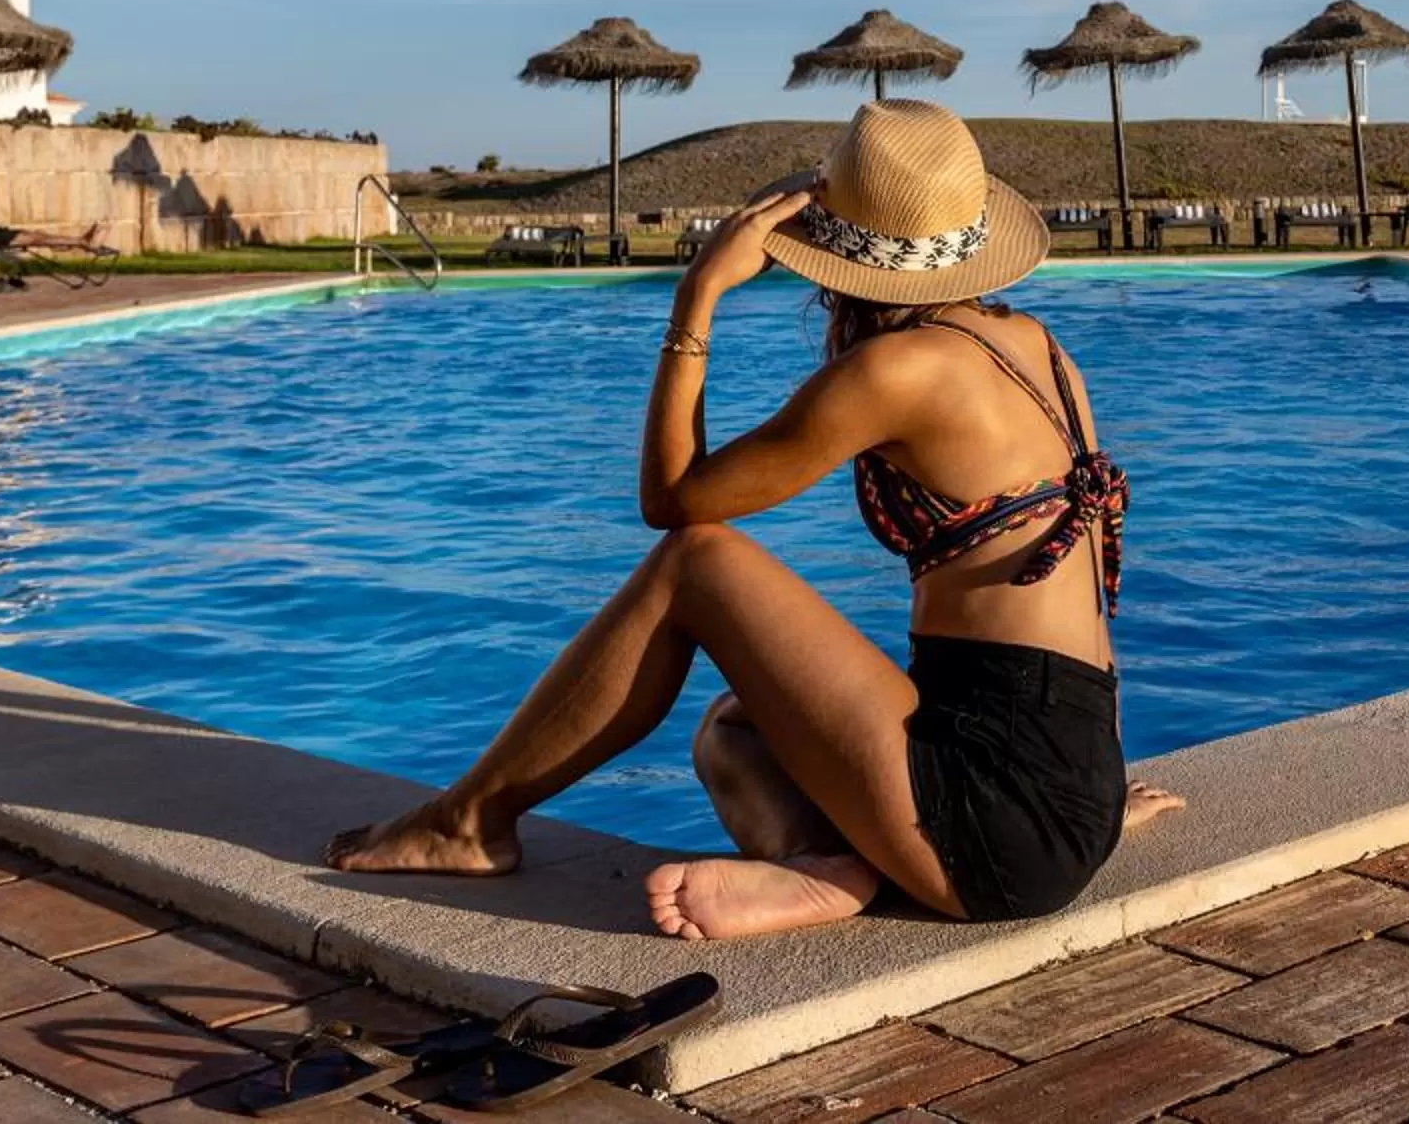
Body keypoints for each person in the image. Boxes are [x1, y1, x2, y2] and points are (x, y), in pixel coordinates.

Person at [326, 100, 1179, 939]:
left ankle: (469, 822)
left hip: (992, 823)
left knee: (699, 561)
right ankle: (823, 863)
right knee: (733, 730)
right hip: (1072, 778)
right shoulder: (1035, 347)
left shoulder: (898, 370)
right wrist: (1082, 803)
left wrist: (698, 294)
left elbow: (672, 503)